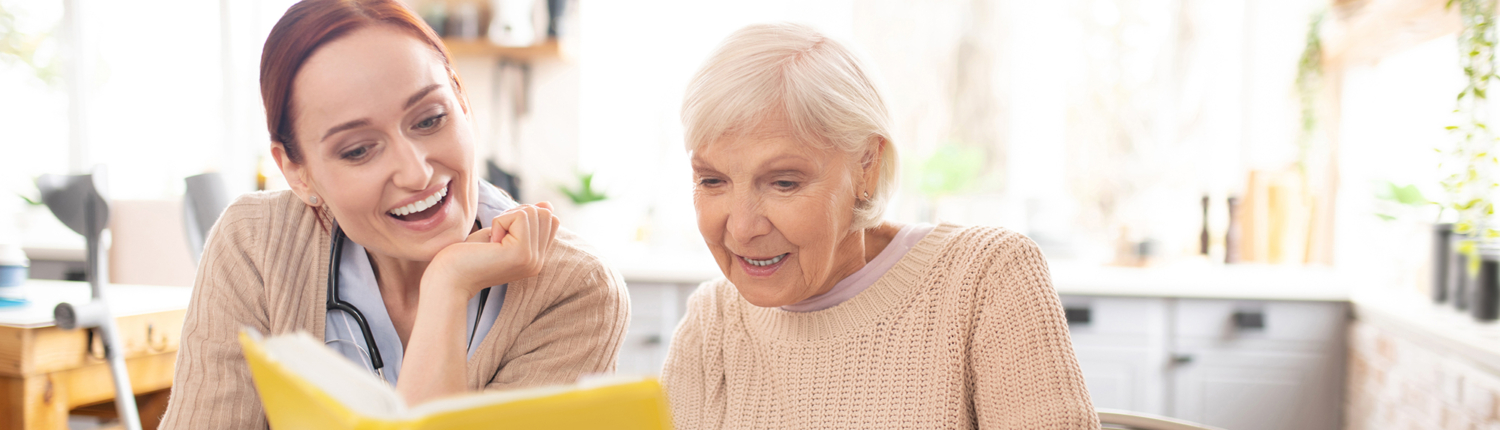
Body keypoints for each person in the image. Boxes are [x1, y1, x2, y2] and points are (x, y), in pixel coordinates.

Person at [159, 0, 628, 427]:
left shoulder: (573, 289)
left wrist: (447, 286)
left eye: (429, 120)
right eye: (359, 150)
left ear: (462, 102)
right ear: (298, 173)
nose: (415, 172)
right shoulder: (254, 245)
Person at [661, 23, 1099, 429]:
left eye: (783, 182)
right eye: (712, 180)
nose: (741, 228)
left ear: (867, 167)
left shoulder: (985, 278)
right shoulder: (712, 323)